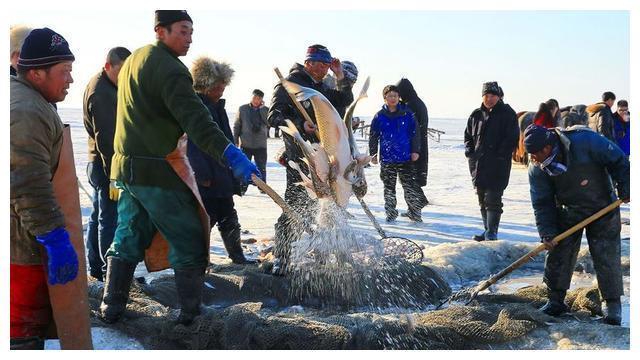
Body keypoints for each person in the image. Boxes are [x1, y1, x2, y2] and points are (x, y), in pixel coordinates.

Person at [99, 10, 260, 326]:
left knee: (130, 233)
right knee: (188, 235)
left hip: (126, 169)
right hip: (157, 169)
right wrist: (231, 154)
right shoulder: (171, 69)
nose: (189, 38)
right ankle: (191, 313)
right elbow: (198, 122)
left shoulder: (135, 59)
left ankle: (111, 305)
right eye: (183, 31)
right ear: (161, 30)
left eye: (191, 32)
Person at [10, 27, 79, 349]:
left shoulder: (32, 100)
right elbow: (27, 181)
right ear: (36, 73)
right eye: (64, 71)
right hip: (18, 244)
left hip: (24, 234)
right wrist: (53, 236)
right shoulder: (26, 111)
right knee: (21, 326)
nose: (70, 80)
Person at [523, 124, 630, 325]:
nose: (535, 159)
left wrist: (626, 186)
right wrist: (547, 232)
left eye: (537, 153)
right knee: (558, 253)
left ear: (548, 146)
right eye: (532, 155)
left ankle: (612, 305)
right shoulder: (537, 167)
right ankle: (555, 300)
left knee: (606, 254)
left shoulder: (585, 141)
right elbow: (542, 201)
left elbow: (618, 160)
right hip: (567, 209)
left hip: (602, 205)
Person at [267, 44, 354, 274]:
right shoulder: (288, 84)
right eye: (322, 65)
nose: (326, 70)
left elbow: (343, 101)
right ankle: (282, 258)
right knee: (295, 205)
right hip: (299, 157)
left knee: (323, 205)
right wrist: (299, 124)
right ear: (309, 63)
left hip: (323, 159)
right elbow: (274, 117)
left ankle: (322, 254)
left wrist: (340, 76)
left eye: (328, 66)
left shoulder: (322, 87)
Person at [187, 56, 256, 265]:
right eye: (217, 87)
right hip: (206, 176)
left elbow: (226, 139)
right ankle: (199, 261)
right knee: (205, 219)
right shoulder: (196, 106)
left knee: (228, 214)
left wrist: (236, 166)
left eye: (223, 87)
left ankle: (237, 255)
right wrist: (201, 175)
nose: (221, 91)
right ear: (205, 86)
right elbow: (191, 145)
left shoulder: (218, 107)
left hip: (222, 172)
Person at [82, 47, 131, 281]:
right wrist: (115, 174)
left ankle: (95, 268)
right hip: (104, 164)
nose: (125, 78)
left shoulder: (108, 85)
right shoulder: (101, 92)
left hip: (97, 162)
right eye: (121, 71)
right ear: (108, 65)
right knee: (109, 219)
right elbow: (106, 138)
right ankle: (108, 273)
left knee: (97, 216)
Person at [464, 81, 519, 241]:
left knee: (493, 199)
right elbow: (468, 135)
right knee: (481, 198)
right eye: (486, 95)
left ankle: (492, 232)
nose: (489, 98)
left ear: (499, 96)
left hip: (498, 165)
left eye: (492, 95)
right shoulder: (476, 115)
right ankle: (487, 229)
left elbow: (512, 138)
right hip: (478, 164)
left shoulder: (507, 114)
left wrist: (501, 154)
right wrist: (470, 152)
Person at [369, 85, 427, 222]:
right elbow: (373, 135)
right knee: (389, 188)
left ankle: (415, 213)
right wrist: (373, 154)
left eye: (395, 95)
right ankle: (390, 213)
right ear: (385, 98)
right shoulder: (379, 116)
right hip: (387, 158)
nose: (393, 98)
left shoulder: (407, 114)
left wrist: (415, 151)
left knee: (409, 187)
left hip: (405, 157)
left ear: (399, 97)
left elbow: (415, 133)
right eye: (390, 96)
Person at [396, 78, 430, 197]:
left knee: (409, 179)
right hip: (419, 146)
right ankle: (415, 207)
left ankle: (416, 207)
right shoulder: (418, 103)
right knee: (412, 179)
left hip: (412, 147)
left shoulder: (411, 105)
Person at [234, 89, 269, 184]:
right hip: (246, 144)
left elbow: (268, 122)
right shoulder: (243, 109)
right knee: (244, 168)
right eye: (254, 98)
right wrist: (235, 140)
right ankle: (242, 188)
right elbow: (237, 125)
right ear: (251, 97)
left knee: (261, 168)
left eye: (258, 99)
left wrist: (262, 109)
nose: (256, 100)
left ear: (261, 100)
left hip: (261, 145)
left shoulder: (266, 110)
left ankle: (262, 187)